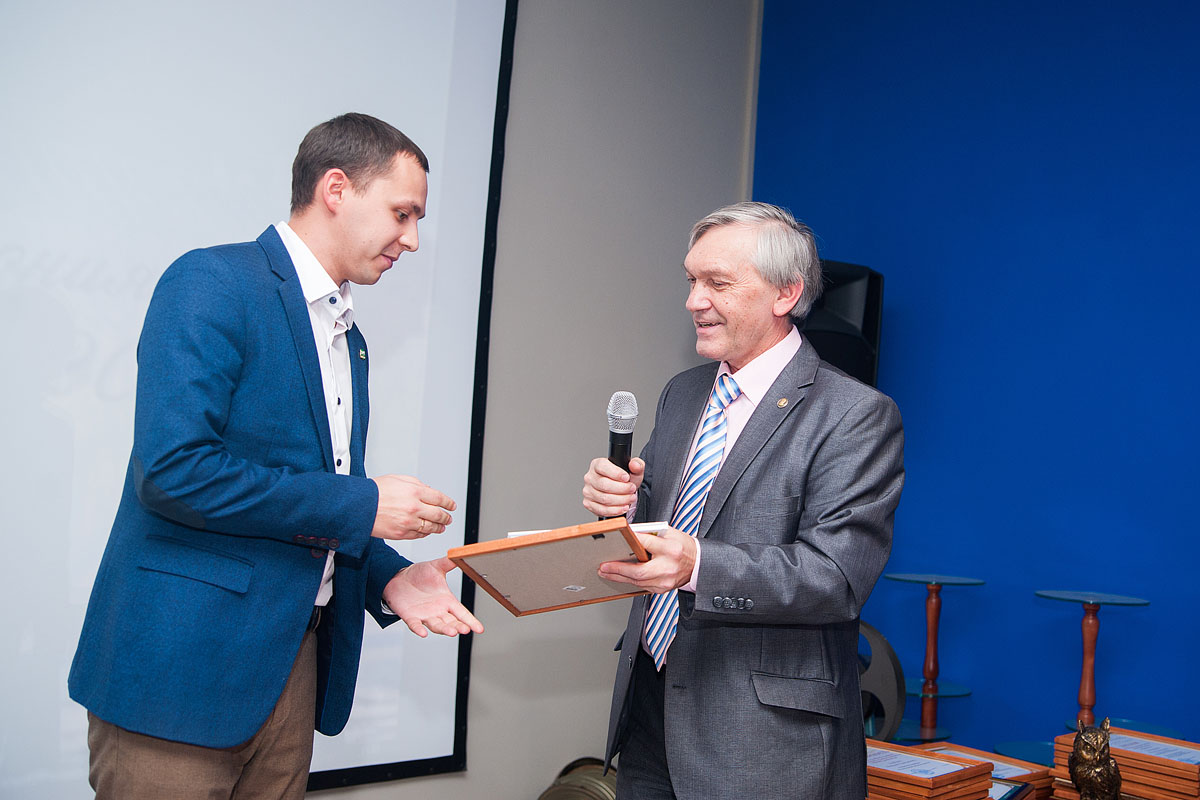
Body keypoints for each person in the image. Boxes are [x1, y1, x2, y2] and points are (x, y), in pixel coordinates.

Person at [68, 113, 484, 799]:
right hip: (181, 675)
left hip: (292, 670)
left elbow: (306, 496)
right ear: (336, 189)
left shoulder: (347, 334)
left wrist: (386, 576)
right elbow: (173, 472)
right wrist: (365, 504)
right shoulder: (211, 281)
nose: (412, 239)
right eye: (402, 213)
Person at [581, 201, 905, 799]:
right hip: (649, 711)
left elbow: (835, 578)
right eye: (691, 281)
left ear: (786, 293)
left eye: (718, 283)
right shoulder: (683, 393)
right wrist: (620, 509)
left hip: (765, 740)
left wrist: (697, 565)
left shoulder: (855, 415)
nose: (693, 301)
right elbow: (660, 524)